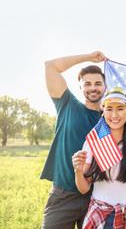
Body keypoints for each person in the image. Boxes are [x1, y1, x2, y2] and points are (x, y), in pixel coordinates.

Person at [40, 51, 107, 229]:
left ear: (105, 87)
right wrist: (88, 57)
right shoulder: (67, 105)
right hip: (63, 196)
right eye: (88, 84)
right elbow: (50, 66)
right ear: (80, 87)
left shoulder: (110, 120)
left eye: (98, 83)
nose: (93, 87)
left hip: (97, 199)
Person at [72, 87, 126, 228]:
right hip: (100, 215)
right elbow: (84, 189)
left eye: (120, 108)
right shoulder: (93, 143)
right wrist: (78, 171)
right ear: (103, 112)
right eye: (109, 109)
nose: (114, 114)